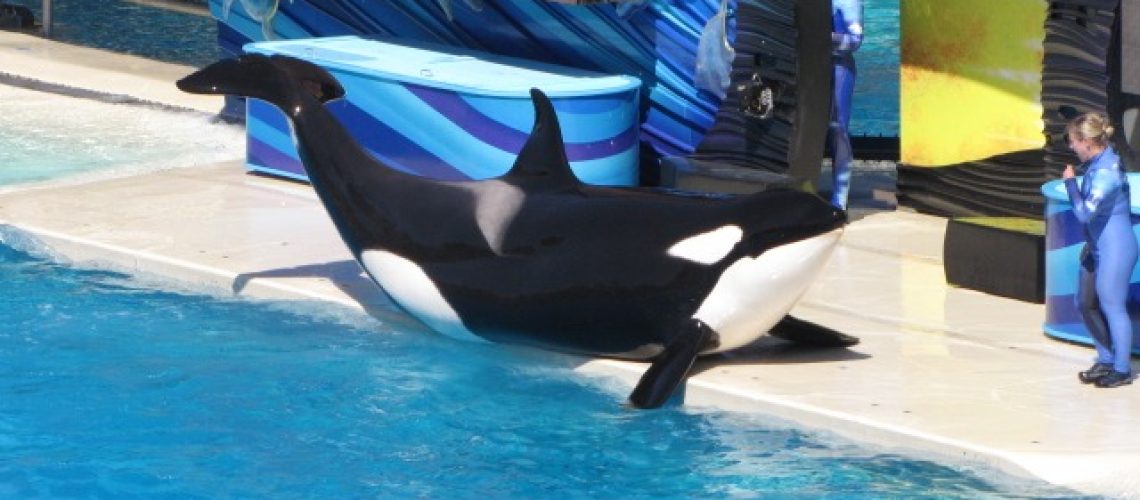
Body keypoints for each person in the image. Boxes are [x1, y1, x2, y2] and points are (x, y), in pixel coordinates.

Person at [1063, 112, 1137, 388]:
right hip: (1096, 247)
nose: (1071, 147)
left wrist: (1071, 184)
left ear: (1086, 142)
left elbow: (1084, 214)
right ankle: (1105, 359)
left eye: (1073, 141)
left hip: (1116, 247)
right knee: (1084, 302)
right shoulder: (1096, 163)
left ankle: (1121, 369)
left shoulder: (1107, 173)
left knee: (1112, 306)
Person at [829, 0, 863, 209]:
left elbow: (855, 40)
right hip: (808, 67)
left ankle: (839, 198)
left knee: (837, 129)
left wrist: (818, 39)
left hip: (838, 69)